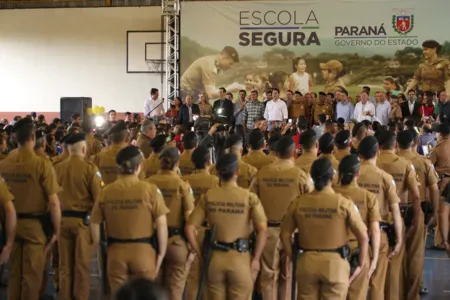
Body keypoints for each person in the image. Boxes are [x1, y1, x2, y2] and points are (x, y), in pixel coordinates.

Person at [280, 157, 369, 300]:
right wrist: (360, 264)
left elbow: (284, 234)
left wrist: (294, 258)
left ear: (312, 178)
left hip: (307, 263)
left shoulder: (299, 203)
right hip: (335, 266)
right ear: (333, 178)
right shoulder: (344, 203)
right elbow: (363, 236)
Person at [185, 153, 268, 300]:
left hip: (215, 259)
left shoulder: (209, 196)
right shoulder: (249, 198)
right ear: (237, 172)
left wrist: (199, 253)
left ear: (217, 172)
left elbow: (190, 228)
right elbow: (262, 230)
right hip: (241, 259)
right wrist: (256, 259)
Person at [90, 146, 169, 295]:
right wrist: (160, 254)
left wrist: (102, 246)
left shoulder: (106, 192)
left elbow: (94, 223)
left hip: (116, 252)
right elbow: (161, 226)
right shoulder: (150, 190)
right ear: (138, 167)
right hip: (144, 253)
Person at [0, 118, 62, 300]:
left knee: (14, 275)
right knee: (31, 277)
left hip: (9, 225)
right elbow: (53, 202)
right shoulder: (42, 164)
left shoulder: (4, 164)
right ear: (33, 137)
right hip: (35, 228)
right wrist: (56, 231)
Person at [249, 136, 312, 300]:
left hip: (268, 232)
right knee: (289, 276)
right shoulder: (300, 175)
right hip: (292, 233)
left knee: (269, 277)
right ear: (294, 153)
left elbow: (251, 203)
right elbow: (311, 203)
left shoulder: (261, 174)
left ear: (275, 152)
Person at [54, 133, 102, 300]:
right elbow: (98, 199)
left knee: (64, 266)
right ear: (83, 148)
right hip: (82, 222)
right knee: (81, 267)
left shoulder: (57, 168)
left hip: (62, 221)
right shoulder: (90, 169)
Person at [356, 136, 403, 300]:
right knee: (377, 283)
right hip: (380, 234)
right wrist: (399, 238)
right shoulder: (385, 178)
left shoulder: (350, 176)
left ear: (359, 154)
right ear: (377, 152)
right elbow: (395, 211)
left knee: (356, 283)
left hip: (354, 235)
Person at [375, 130, 421, 300]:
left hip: (376, 219)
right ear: (394, 145)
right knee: (396, 266)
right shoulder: (405, 164)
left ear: (378, 146)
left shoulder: (373, 165)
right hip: (398, 217)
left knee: (376, 268)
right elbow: (416, 195)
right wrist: (416, 218)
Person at [145, 147, 195, 300]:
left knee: (152, 292)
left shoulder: (147, 184)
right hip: (176, 244)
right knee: (175, 292)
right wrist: (193, 249)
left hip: (152, 244)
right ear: (177, 163)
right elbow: (189, 219)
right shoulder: (182, 185)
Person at [397, 129, 439, 300]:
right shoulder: (424, 162)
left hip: (393, 213)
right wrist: (434, 213)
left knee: (395, 256)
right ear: (415, 143)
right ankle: (412, 294)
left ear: (396, 144)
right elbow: (434, 190)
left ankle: (396, 292)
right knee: (415, 255)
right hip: (416, 211)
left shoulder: (386, 162)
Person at [333, 155, 381, 300]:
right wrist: (374, 260)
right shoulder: (368, 197)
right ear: (358, 174)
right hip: (359, 252)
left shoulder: (332, 194)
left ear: (339, 174)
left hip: (334, 253)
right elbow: (374, 230)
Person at [183, 146, 219, 300]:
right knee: (211, 279)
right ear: (209, 161)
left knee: (193, 278)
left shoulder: (184, 181)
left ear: (192, 162)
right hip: (211, 233)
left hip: (191, 232)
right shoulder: (215, 181)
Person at [93, 121, 129, 185]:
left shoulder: (99, 156)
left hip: (104, 191)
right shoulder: (134, 156)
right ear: (127, 138)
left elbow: (94, 176)